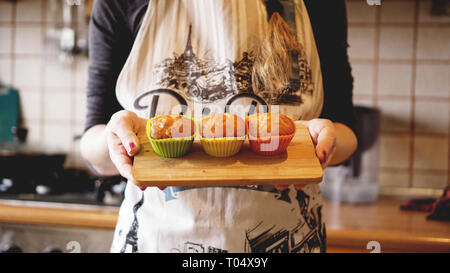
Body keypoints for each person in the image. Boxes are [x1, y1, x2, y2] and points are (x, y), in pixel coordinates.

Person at [81, 0, 357, 253]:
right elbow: (97, 150)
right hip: (156, 241)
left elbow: (345, 133)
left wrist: (320, 140)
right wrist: (114, 137)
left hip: (288, 239)